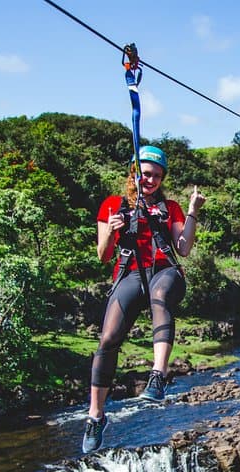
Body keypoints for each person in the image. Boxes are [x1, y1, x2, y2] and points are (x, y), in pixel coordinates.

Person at [82, 145, 206, 453]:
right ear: (134, 173)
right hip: (131, 274)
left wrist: (192, 211)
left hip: (164, 271)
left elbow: (184, 247)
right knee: (108, 338)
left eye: (156, 176)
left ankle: (158, 375)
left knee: (160, 296)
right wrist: (112, 231)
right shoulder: (112, 205)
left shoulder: (170, 208)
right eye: (145, 174)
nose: (150, 180)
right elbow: (103, 254)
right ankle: (95, 416)